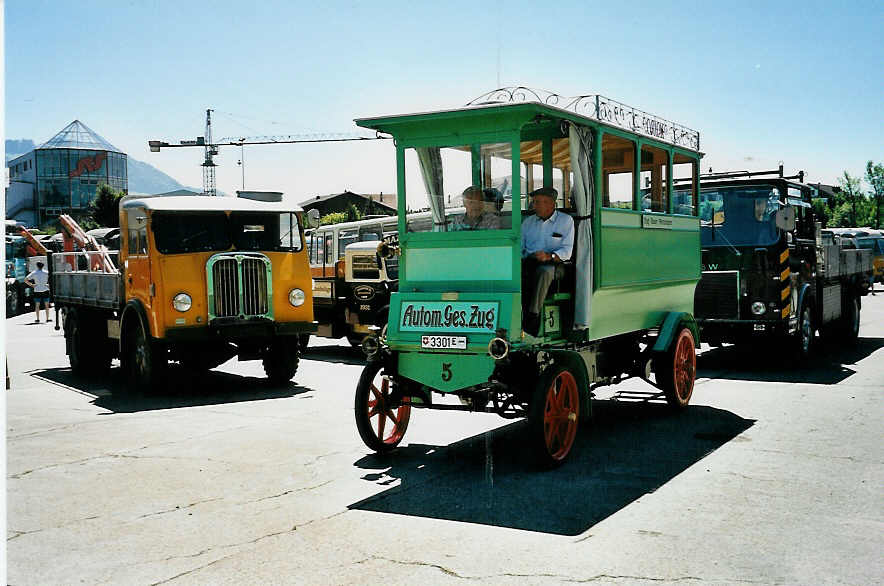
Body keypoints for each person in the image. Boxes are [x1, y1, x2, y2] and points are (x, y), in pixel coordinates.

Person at [520, 186, 574, 336]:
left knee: (544, 271)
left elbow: (567, 251)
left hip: (556, 265)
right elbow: (520, 248)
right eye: (534, 202)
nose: (534, 205)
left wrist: (548, 256)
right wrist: (528, 256)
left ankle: (533, 317)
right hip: (530, 262)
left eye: (538, 202)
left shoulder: (565, 221)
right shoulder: (528, 223)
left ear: (551, 204)